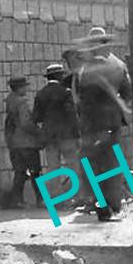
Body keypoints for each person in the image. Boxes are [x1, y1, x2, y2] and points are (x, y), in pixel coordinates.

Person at [71, 27, 132, 222]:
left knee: (93, 168)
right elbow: (128, 94)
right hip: (111, 125)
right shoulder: (119, 66)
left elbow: (77, 100)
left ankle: (101, 207)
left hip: (90, 126)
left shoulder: (82, 70)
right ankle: (113, 207)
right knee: (112, 166)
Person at [32, 63, 82, 206]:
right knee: (73, 166)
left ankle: (55, 199)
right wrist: (77, 135)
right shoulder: (65, 92)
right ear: (59, 76)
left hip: (49, 137)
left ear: (48, 78)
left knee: (53, 168)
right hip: (66, 136)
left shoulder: (40, 94)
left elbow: (36, 117)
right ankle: (76, 198)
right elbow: (72, 116)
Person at [3, 77, 42, 208]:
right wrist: (38, 131)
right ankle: (41, 200)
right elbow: (25, 123)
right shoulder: (22, 102)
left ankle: (16, 200)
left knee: (19, 172)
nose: (26, 89)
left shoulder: (10, 101)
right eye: (24, 86)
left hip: (14, 142)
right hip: (27, 142)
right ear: (19, 88)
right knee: (35, 172)